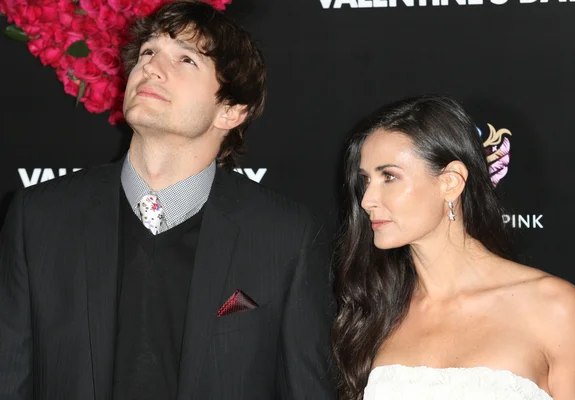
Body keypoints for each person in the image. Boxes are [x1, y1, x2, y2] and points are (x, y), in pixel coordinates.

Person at [0, 1, 336, 399]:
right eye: (147, 52)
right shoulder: (39, 218)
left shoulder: (287, 237)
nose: (152, 68)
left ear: (229, 111)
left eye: (186, 60)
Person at [331, 95, 575, 400]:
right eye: (366, 180)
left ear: (451, 182)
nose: (367, 200)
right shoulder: (376, 309)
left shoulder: (553, 306)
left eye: (389, 177)